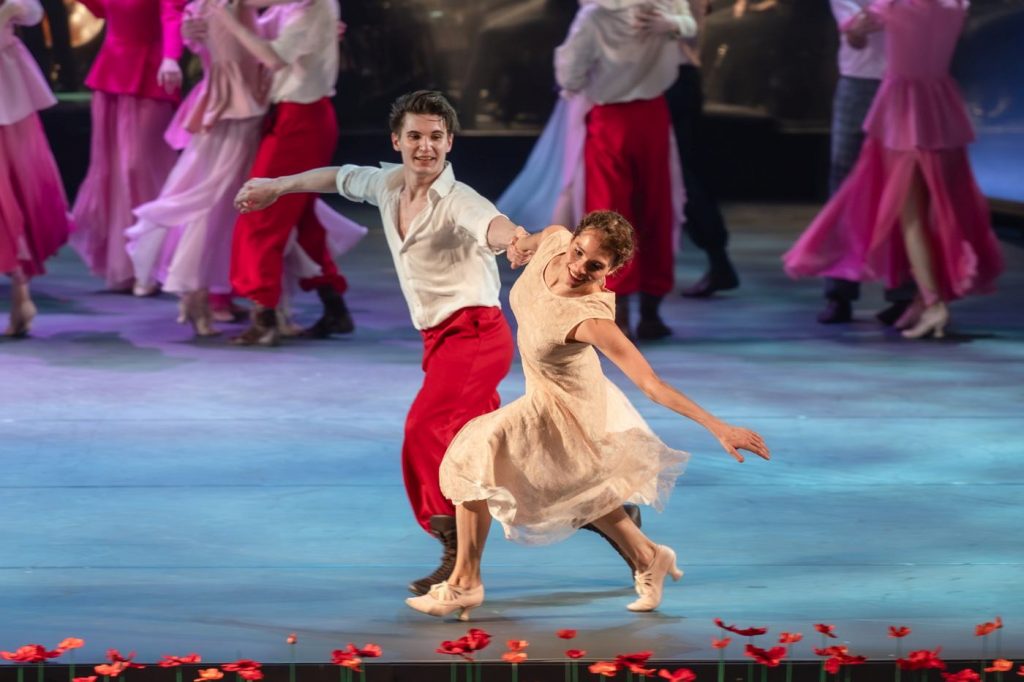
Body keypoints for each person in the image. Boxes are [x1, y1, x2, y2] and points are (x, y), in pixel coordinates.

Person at [233, 91, 641, 595]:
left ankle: (454, 552)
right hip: (439, 341)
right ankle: (609, 512)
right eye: (415, 137)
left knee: (425, 429)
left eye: (435, 138)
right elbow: (336, 176)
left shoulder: (459, 200)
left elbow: (492, 226)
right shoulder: (386, 185)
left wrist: (518, 241)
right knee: (500, 458)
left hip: (473, 335)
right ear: (397, 141)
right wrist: (278, 185)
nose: (424, 147)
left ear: (449, 143)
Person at [405, 212, 770, 619]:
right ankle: (649, 558)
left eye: (595, 265)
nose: (579, 267)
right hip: (544, 395)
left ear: (611, 272)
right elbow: (536, 238)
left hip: (569, 409)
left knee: (472, 455)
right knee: (581, 493)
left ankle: (464, 583)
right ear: (573, 239)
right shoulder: (556, 242)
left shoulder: (592, 318)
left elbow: (651, 384)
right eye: (579, 252)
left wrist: (719, 427)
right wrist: (519, 245)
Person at [784, 0, 1004, 338]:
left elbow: (865, 24)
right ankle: (892, 294)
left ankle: (923, 298)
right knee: (915, 197)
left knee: (909, 203)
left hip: (904, 96)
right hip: (924, 95)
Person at [124, 0, 270, 336]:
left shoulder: (215, 8)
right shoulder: (213, 8)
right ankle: (196, 291)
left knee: (226, 202)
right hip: (231, 110)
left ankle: (209, 293)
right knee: (213, 201)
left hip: (243, 109)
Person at [554, 0, 696, 340]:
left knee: (609, 214)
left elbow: (570, 73)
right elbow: (689, 26)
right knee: (654, 207)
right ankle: (649, 310)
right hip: (651, 115)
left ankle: (617, 311)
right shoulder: (664, 4)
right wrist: (672, 25)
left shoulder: (597, 13)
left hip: (611, 118)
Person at [215, 0, 353, 346]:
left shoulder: (314, 9)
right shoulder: (300, 8)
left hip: (301, 122)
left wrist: (226, 21)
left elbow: (274, 56)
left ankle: (264, 318)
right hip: (299, 117)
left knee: (259, 212)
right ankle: (334, 307)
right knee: (303, 221)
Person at [69, 0, 185, 292]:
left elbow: (173, 16)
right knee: (110, 168)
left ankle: (153, 264)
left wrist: (171, 57)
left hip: (150, 73)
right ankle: (123, 264)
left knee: (140, 166)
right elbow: (97, 9)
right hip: (111, 73)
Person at [814, 0, 913, 324]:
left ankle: (904, 293)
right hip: (859, 81)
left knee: (905, 186)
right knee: (844, 183)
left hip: (909, 79)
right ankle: (839, 291)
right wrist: (855, 27)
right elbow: (853, 25)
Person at [658, 0, 740, 298]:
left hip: (671, 80)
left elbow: (686, 30)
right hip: (672, 79)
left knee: (682, 176)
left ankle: (718, 259)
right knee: (681, 174)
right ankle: (717, 260)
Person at [0, 0, 72, 337]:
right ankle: (19, 289)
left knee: (13, 188)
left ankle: (20, 286)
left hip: (8, 90)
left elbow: (31, 11)